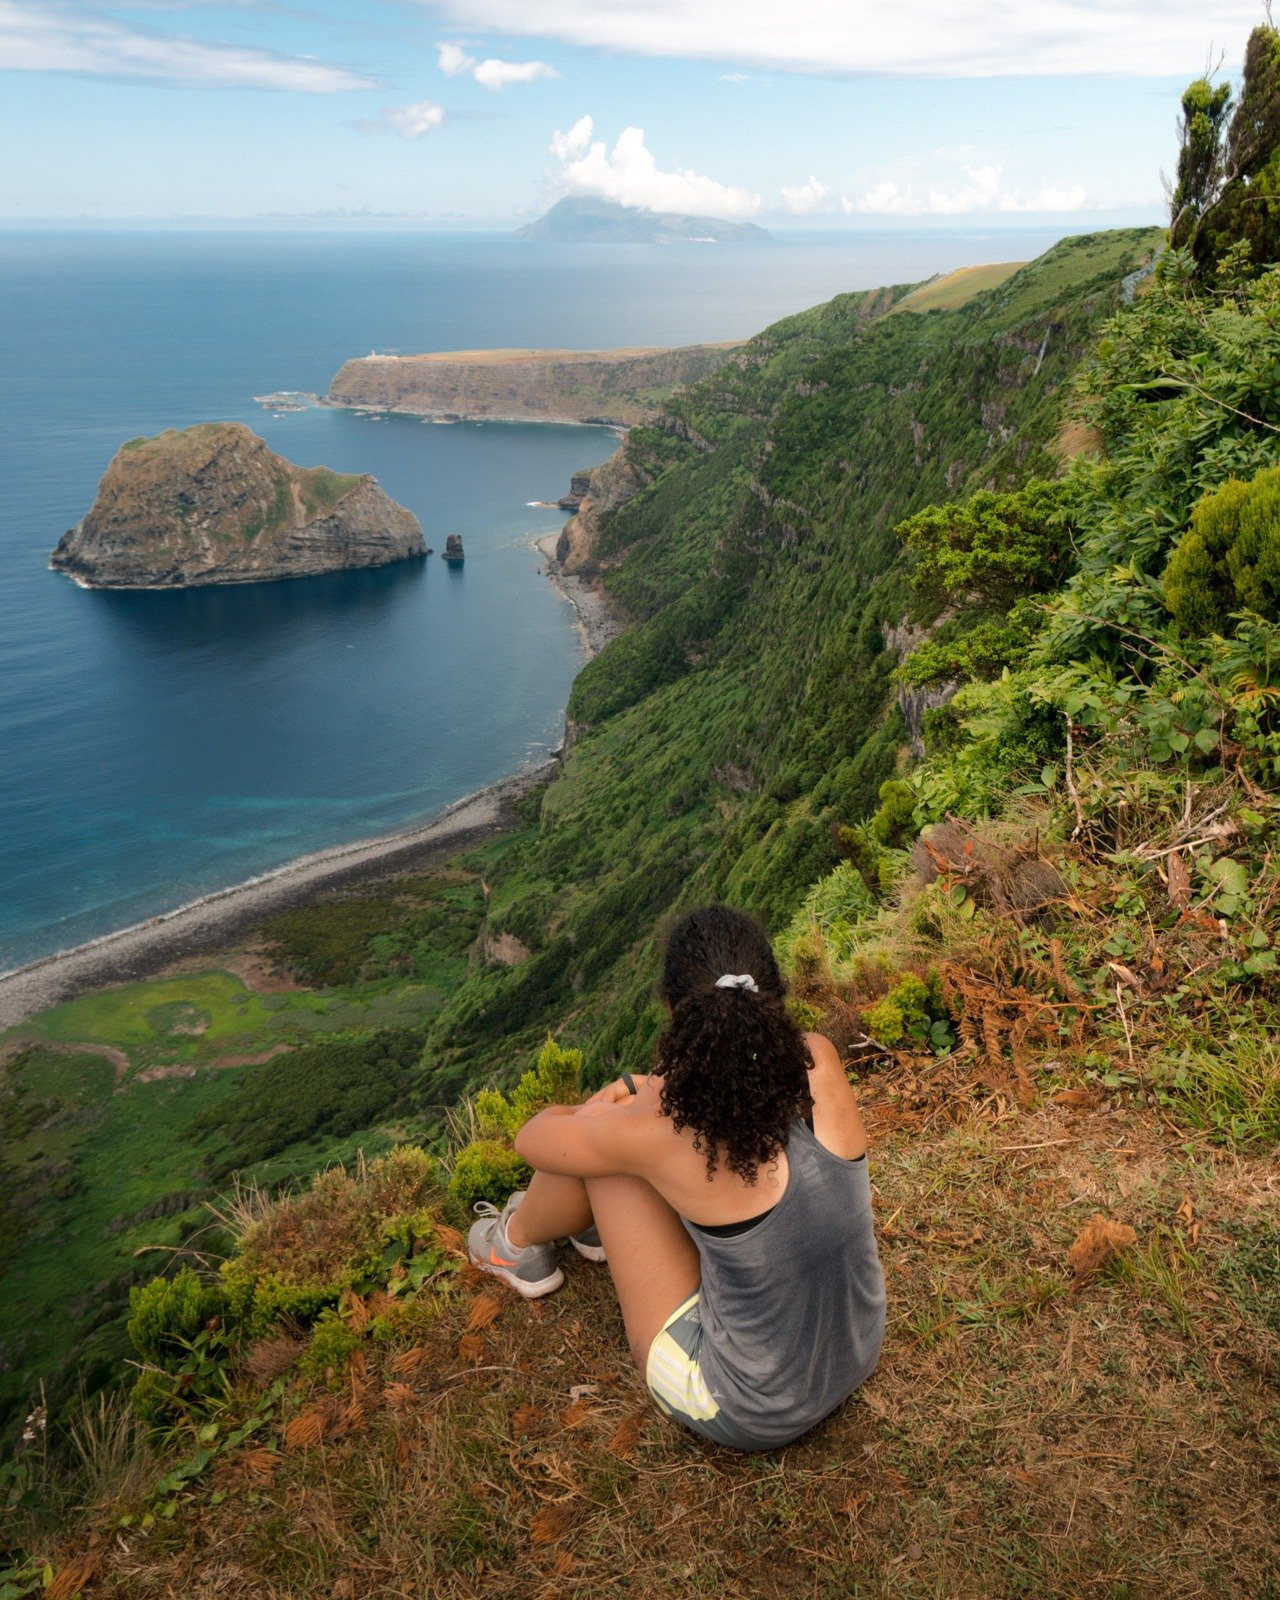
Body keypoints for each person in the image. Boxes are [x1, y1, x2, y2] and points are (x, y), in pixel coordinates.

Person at [467, 904, 885, 1451]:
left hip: (747, 1407)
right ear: (772, 995)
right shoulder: (818, 1061)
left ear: (673, 1010)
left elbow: (532, 1139)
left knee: (602, 1143)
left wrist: (612, 1100)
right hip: (855, 1348)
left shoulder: (664, 1130)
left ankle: (514, 1244)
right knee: (619, 1140)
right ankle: (584, 1231)